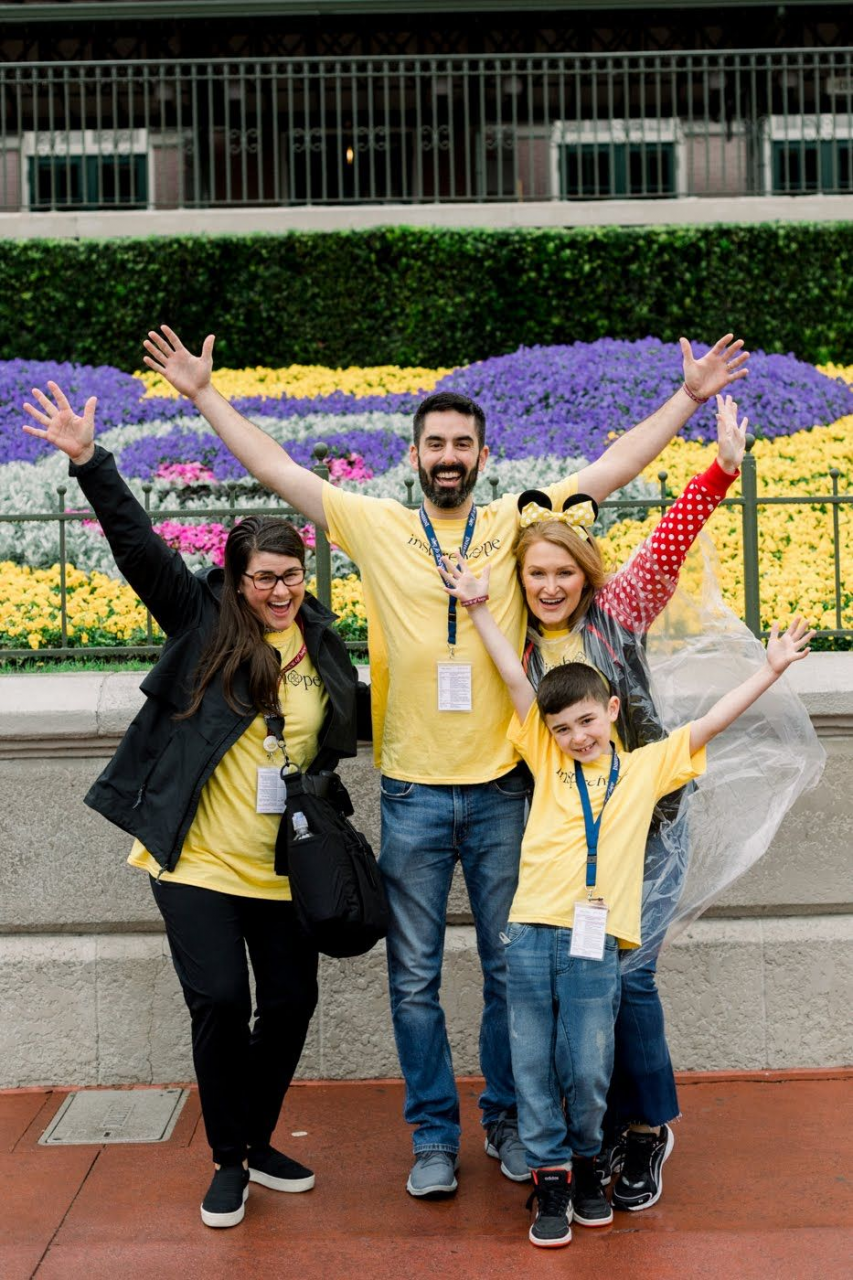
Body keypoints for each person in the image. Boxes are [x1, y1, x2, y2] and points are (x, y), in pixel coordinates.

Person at [140, 323, 749, 1197]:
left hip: (506, 793)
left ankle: (505, 1120)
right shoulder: (378, 525)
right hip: (414, 793)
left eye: (463, 442)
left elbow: (612, 467)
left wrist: (687, 399)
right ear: (414, 455)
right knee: (414, 980)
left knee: (512, 972)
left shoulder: (513, 525)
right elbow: (279, 471)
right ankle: (433, 1136)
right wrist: (202, 394)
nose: (449, 455)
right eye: (435, 443)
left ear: (482, 453)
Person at [22, 381, 359, 1230]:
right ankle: (228, 1159)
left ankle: (254, 1139)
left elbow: (334, 740)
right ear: (235, 578)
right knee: (218, 1001)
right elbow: (139, 550)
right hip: (197, 862)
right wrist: (92, 462)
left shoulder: (322, 643)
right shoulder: (202, 621)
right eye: (262, 580)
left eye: (289, 577)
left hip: (282, 866)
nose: (278, 592)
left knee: (289, 1006)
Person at [439, 545, 812, 1247]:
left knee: (585, 1065)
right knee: (531, 1064)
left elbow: (709, 725)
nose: (576, 737)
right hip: (530, 936)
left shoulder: (644, 768)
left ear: (611, 710)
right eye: (562, 728)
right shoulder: (546, 754)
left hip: (596, 941)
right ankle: (550, 1180)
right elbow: (518, 687)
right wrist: (480, 608)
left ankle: (586, 1161)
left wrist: (767, 670)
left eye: (586, 721)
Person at [513, 393, 747, 1213]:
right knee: (582, 981)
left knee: (629, 978)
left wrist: (719, 466)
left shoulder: (616, 616)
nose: (549, 586)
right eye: (536, 573)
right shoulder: (515, 638)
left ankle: (646, 1130)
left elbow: (669, 539)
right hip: (564, 835)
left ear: (585, 575)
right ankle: (598, 1126)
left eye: (562, 573)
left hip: (645, 821)